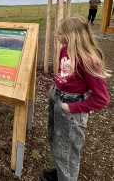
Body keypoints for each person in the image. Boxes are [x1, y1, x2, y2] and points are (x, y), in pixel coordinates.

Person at [40, 15, 110, 181]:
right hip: (57, 97)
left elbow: (101, 99)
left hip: (70, 106)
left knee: (67, 150)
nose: (56, 35)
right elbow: (64, 73)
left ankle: (66, 177)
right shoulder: (66, 49)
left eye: (59, 33)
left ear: (71, 35)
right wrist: (56, 88)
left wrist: (72, 107)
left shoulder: (89, 60)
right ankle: (60, 174)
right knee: (56, 141)